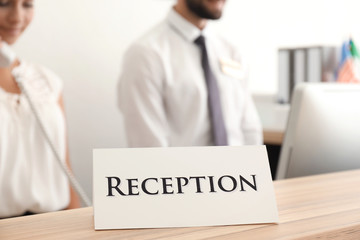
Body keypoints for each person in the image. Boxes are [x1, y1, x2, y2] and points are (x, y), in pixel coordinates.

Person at [118, 0, 262, 147]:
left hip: (240, 168)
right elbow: (149, 148)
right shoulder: (145, 55)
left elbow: (249, 130)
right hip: (183, 170)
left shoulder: (231, 51)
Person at [0, 0, 80, 218]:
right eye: (3, 3)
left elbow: (64, 167)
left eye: (27, 4)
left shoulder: (47, 81)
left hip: (54, 221)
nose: (17, 17)